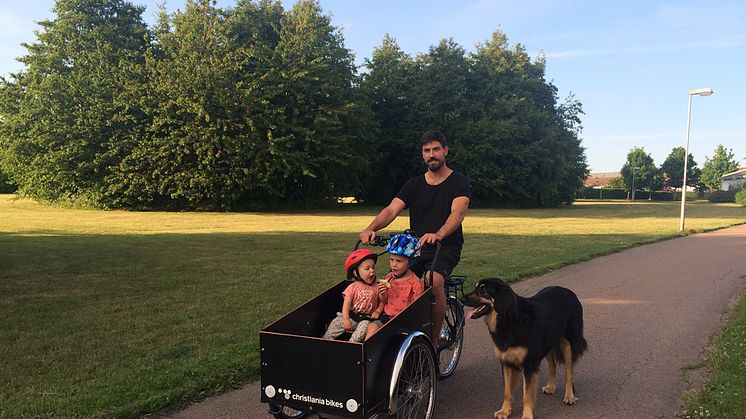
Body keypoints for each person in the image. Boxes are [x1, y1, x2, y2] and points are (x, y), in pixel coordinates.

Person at [359, 130, 470, 348]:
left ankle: (434, 339)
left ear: (445, 151)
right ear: (422, 155)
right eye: (427, 150)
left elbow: (458, 213)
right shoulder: (414, 184)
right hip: (416, 248)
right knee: (392, 280)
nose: (432, 154)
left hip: (445, 246)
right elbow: (391, 210)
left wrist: (438, 234)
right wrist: (370, 228)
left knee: (432, 280)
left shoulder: (458, 181)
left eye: (436, 149)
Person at [365, 233, 424, 339]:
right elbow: (384, 300)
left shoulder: (415, 283)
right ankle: (365, 352)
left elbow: (417, 308)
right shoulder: (389, 277)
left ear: (410, 262)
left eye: (399, 261)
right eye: (391, 260)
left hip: (404, 321)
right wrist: (382, 293)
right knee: (372, 327)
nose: (394, 265)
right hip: (387, 316)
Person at [322, 249, 384, 342]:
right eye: (367, 268)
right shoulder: (353, 287)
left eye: (373, 267)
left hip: (366, 318)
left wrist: (378, 311)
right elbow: (346, 304)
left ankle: (352, 344)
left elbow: (383, 301)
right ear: (356, 272)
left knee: (363, 328)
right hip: (351, 316)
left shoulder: (377, 287)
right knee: (336, 323)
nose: (372, 271)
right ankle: (326, 340)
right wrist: (346, 319)